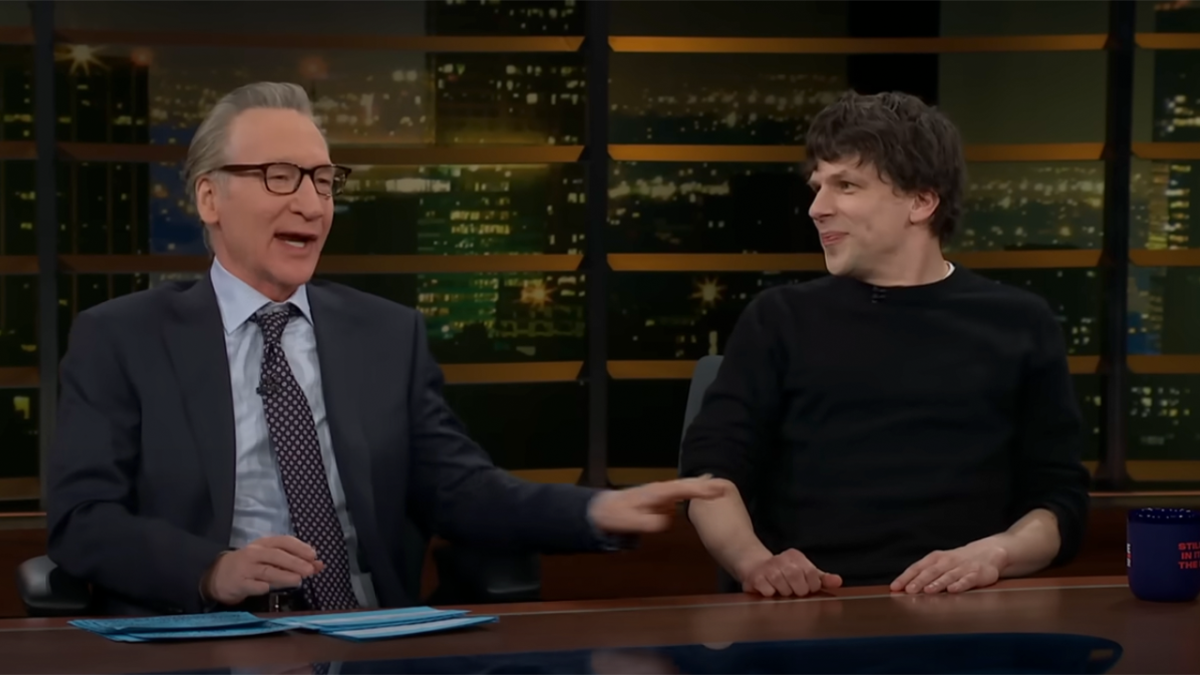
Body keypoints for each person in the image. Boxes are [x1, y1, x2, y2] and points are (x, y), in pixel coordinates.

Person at [46, 81, 722, 616]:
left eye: (323, 180)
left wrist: (594, 510)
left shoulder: (387, 335)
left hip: (370, 634)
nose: (312, 204)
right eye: (281, 175)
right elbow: (82, 520)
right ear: (209, 198)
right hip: (203, 637)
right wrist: (211, 570)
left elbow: (459, 490)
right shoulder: (122, 338)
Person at [679, 90, 1090, 598]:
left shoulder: (1020, 323)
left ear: (921, 201)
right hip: (809, 608)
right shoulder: (779, 319)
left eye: (846, 186)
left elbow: (1058, 500)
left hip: (966, 609)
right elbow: (710, 477)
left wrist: (997, 553)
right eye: (818, 188)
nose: (817, 209)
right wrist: (757, 564)